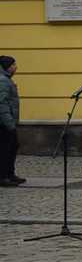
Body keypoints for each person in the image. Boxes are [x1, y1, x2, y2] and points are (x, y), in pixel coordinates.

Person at [0, 56, 23, 187]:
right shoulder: (3, 81)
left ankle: (10, 174)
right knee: (5, 149)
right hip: (4, 123)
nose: (16, 67)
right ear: (7, 66)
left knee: (13, 146)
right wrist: (9, 122)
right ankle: (3, 176)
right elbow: (1, 104)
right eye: (13, 65)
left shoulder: (6, 80)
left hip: (8, 121)